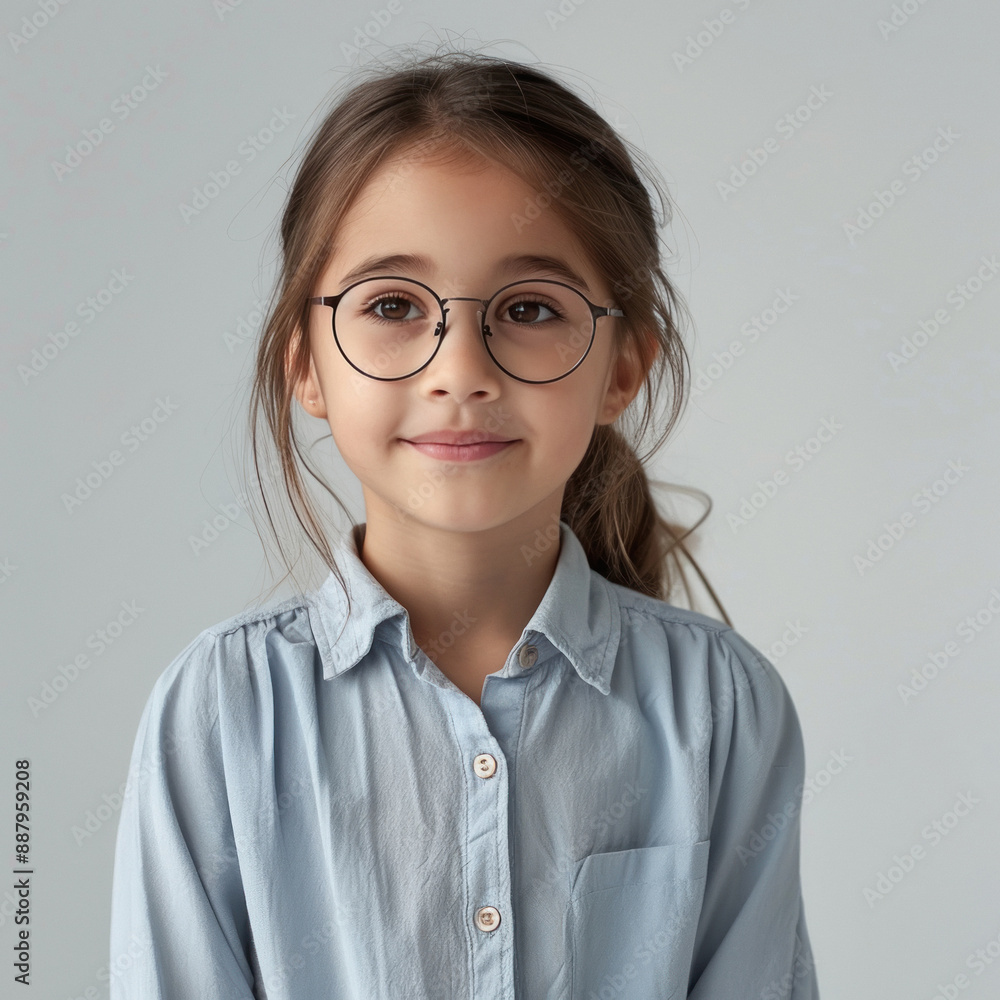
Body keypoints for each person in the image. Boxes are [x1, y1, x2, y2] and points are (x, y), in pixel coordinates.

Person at [109, 45, 819, 999]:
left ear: (621, 367)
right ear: (306, 365)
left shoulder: (723, 710)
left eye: (529, 308)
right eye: (394, 305)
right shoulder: (221, 713)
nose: (460, 371)